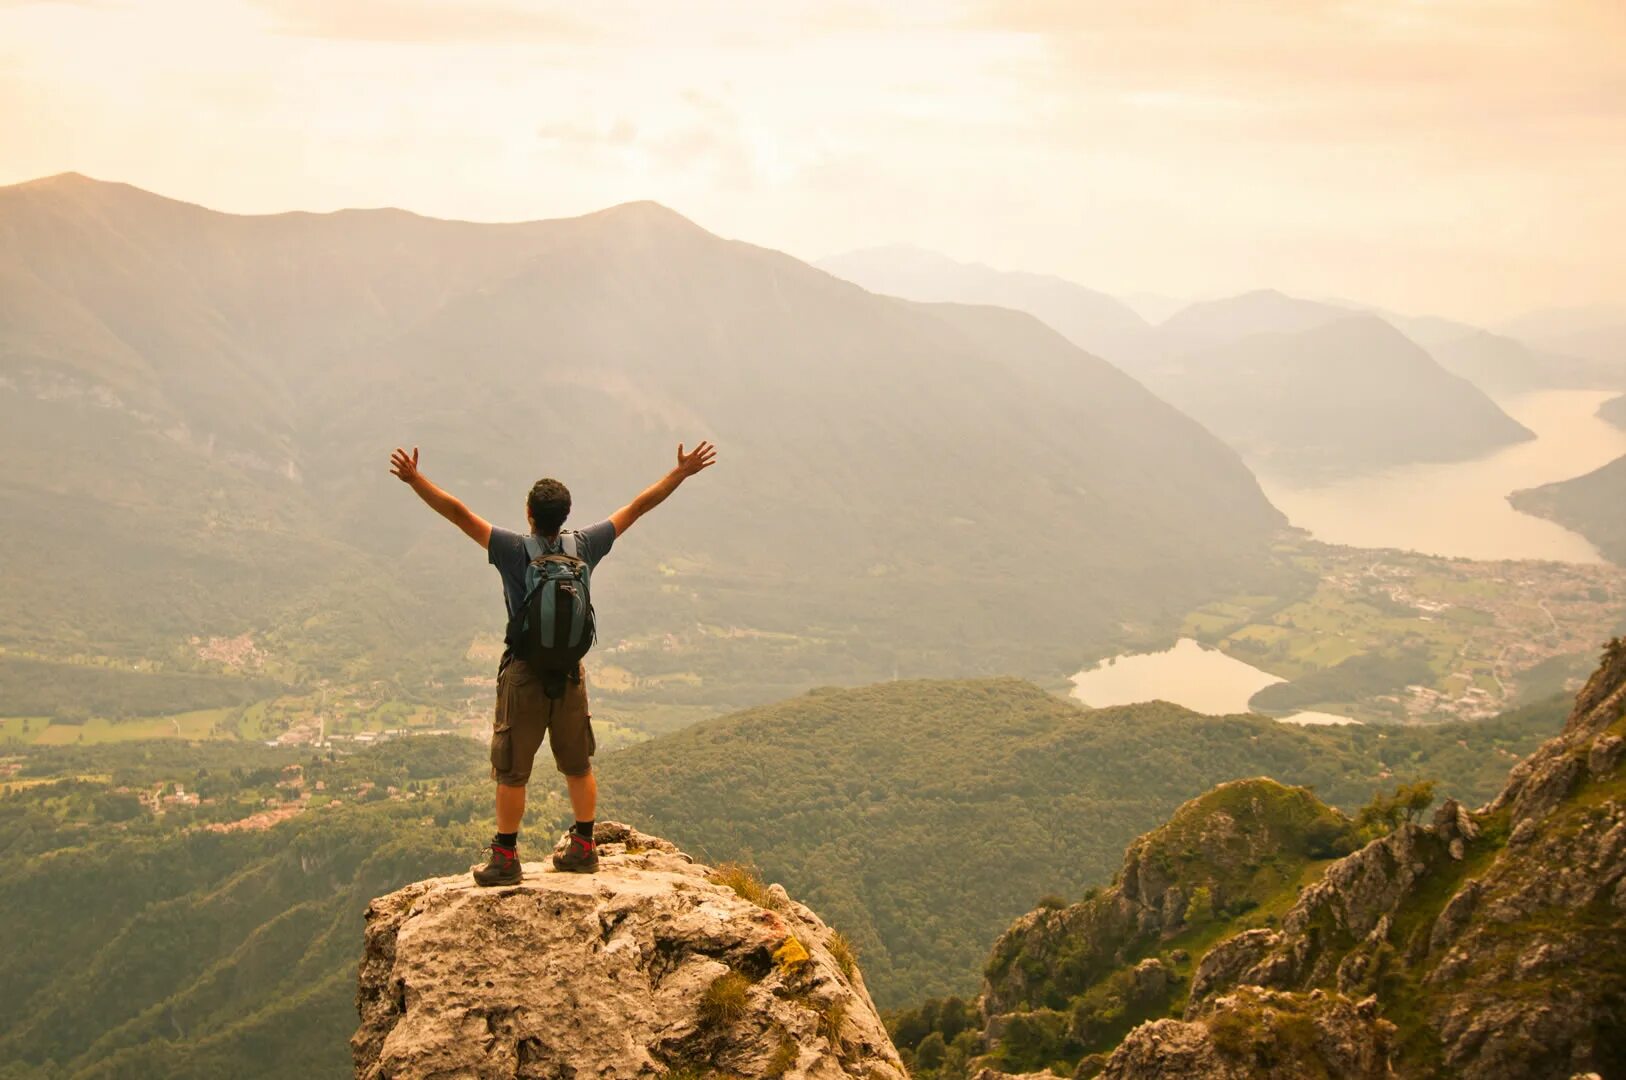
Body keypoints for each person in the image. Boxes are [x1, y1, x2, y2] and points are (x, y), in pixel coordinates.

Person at [389, 441, 718, 883]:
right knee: (578, 765)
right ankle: (584, 846)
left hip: (524, 675)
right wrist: (680, 473)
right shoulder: (585, 544)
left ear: (529, 513)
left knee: (512, 772)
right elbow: (638, 507)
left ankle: (505, 859)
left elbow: (457, 513)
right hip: (569, 675)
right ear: (565, 515)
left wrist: (415, 481)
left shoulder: (512, 549)